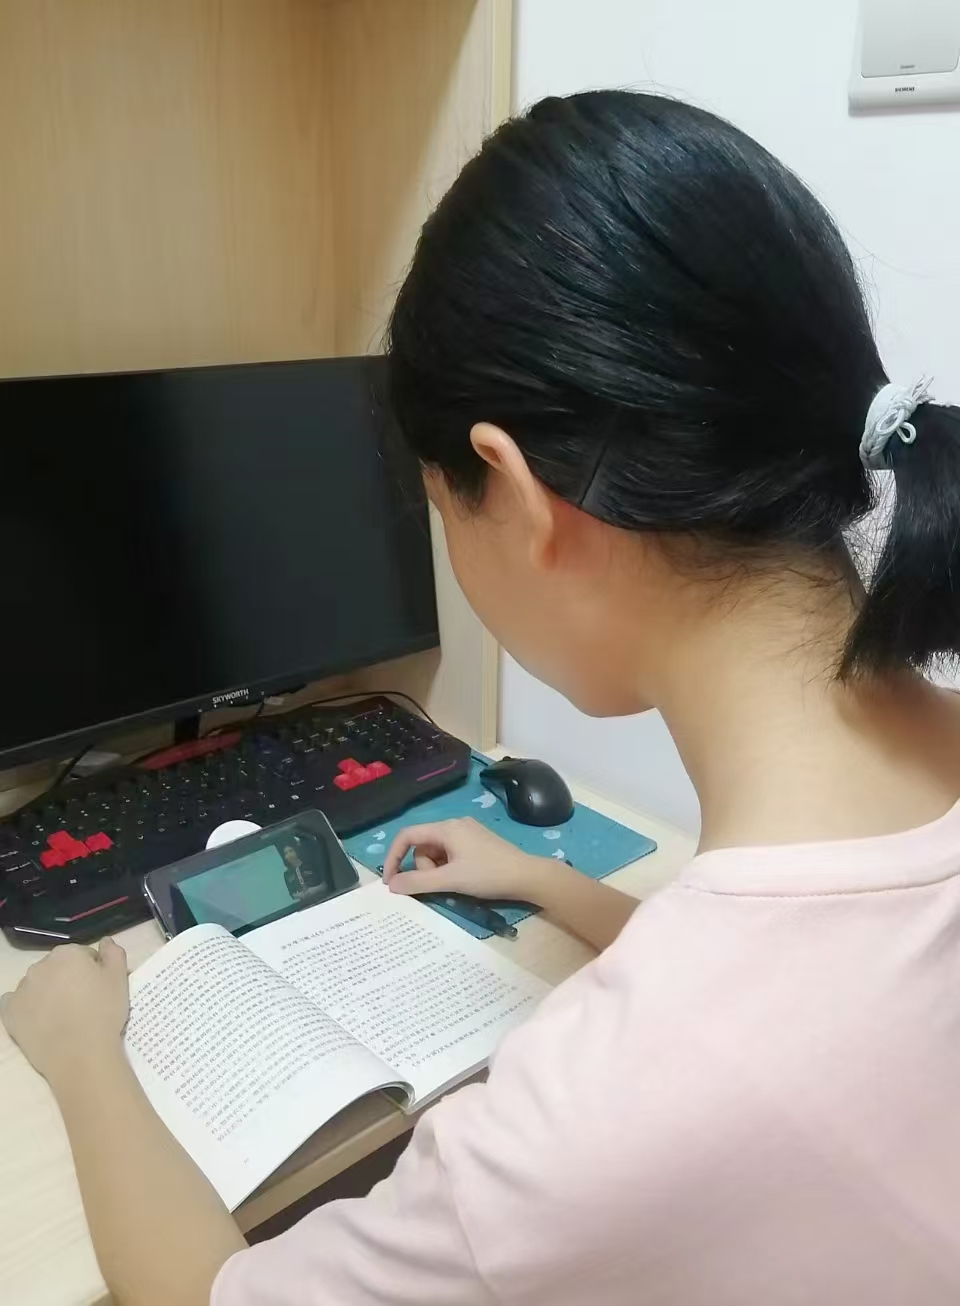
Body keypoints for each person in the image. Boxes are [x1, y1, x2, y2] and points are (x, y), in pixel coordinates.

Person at [4, 89, 960, 1305]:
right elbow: (805, 991)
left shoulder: (587, 1129)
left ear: (506, 489)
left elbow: (208, 1294)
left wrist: (81, 1050)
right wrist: (552, 883)